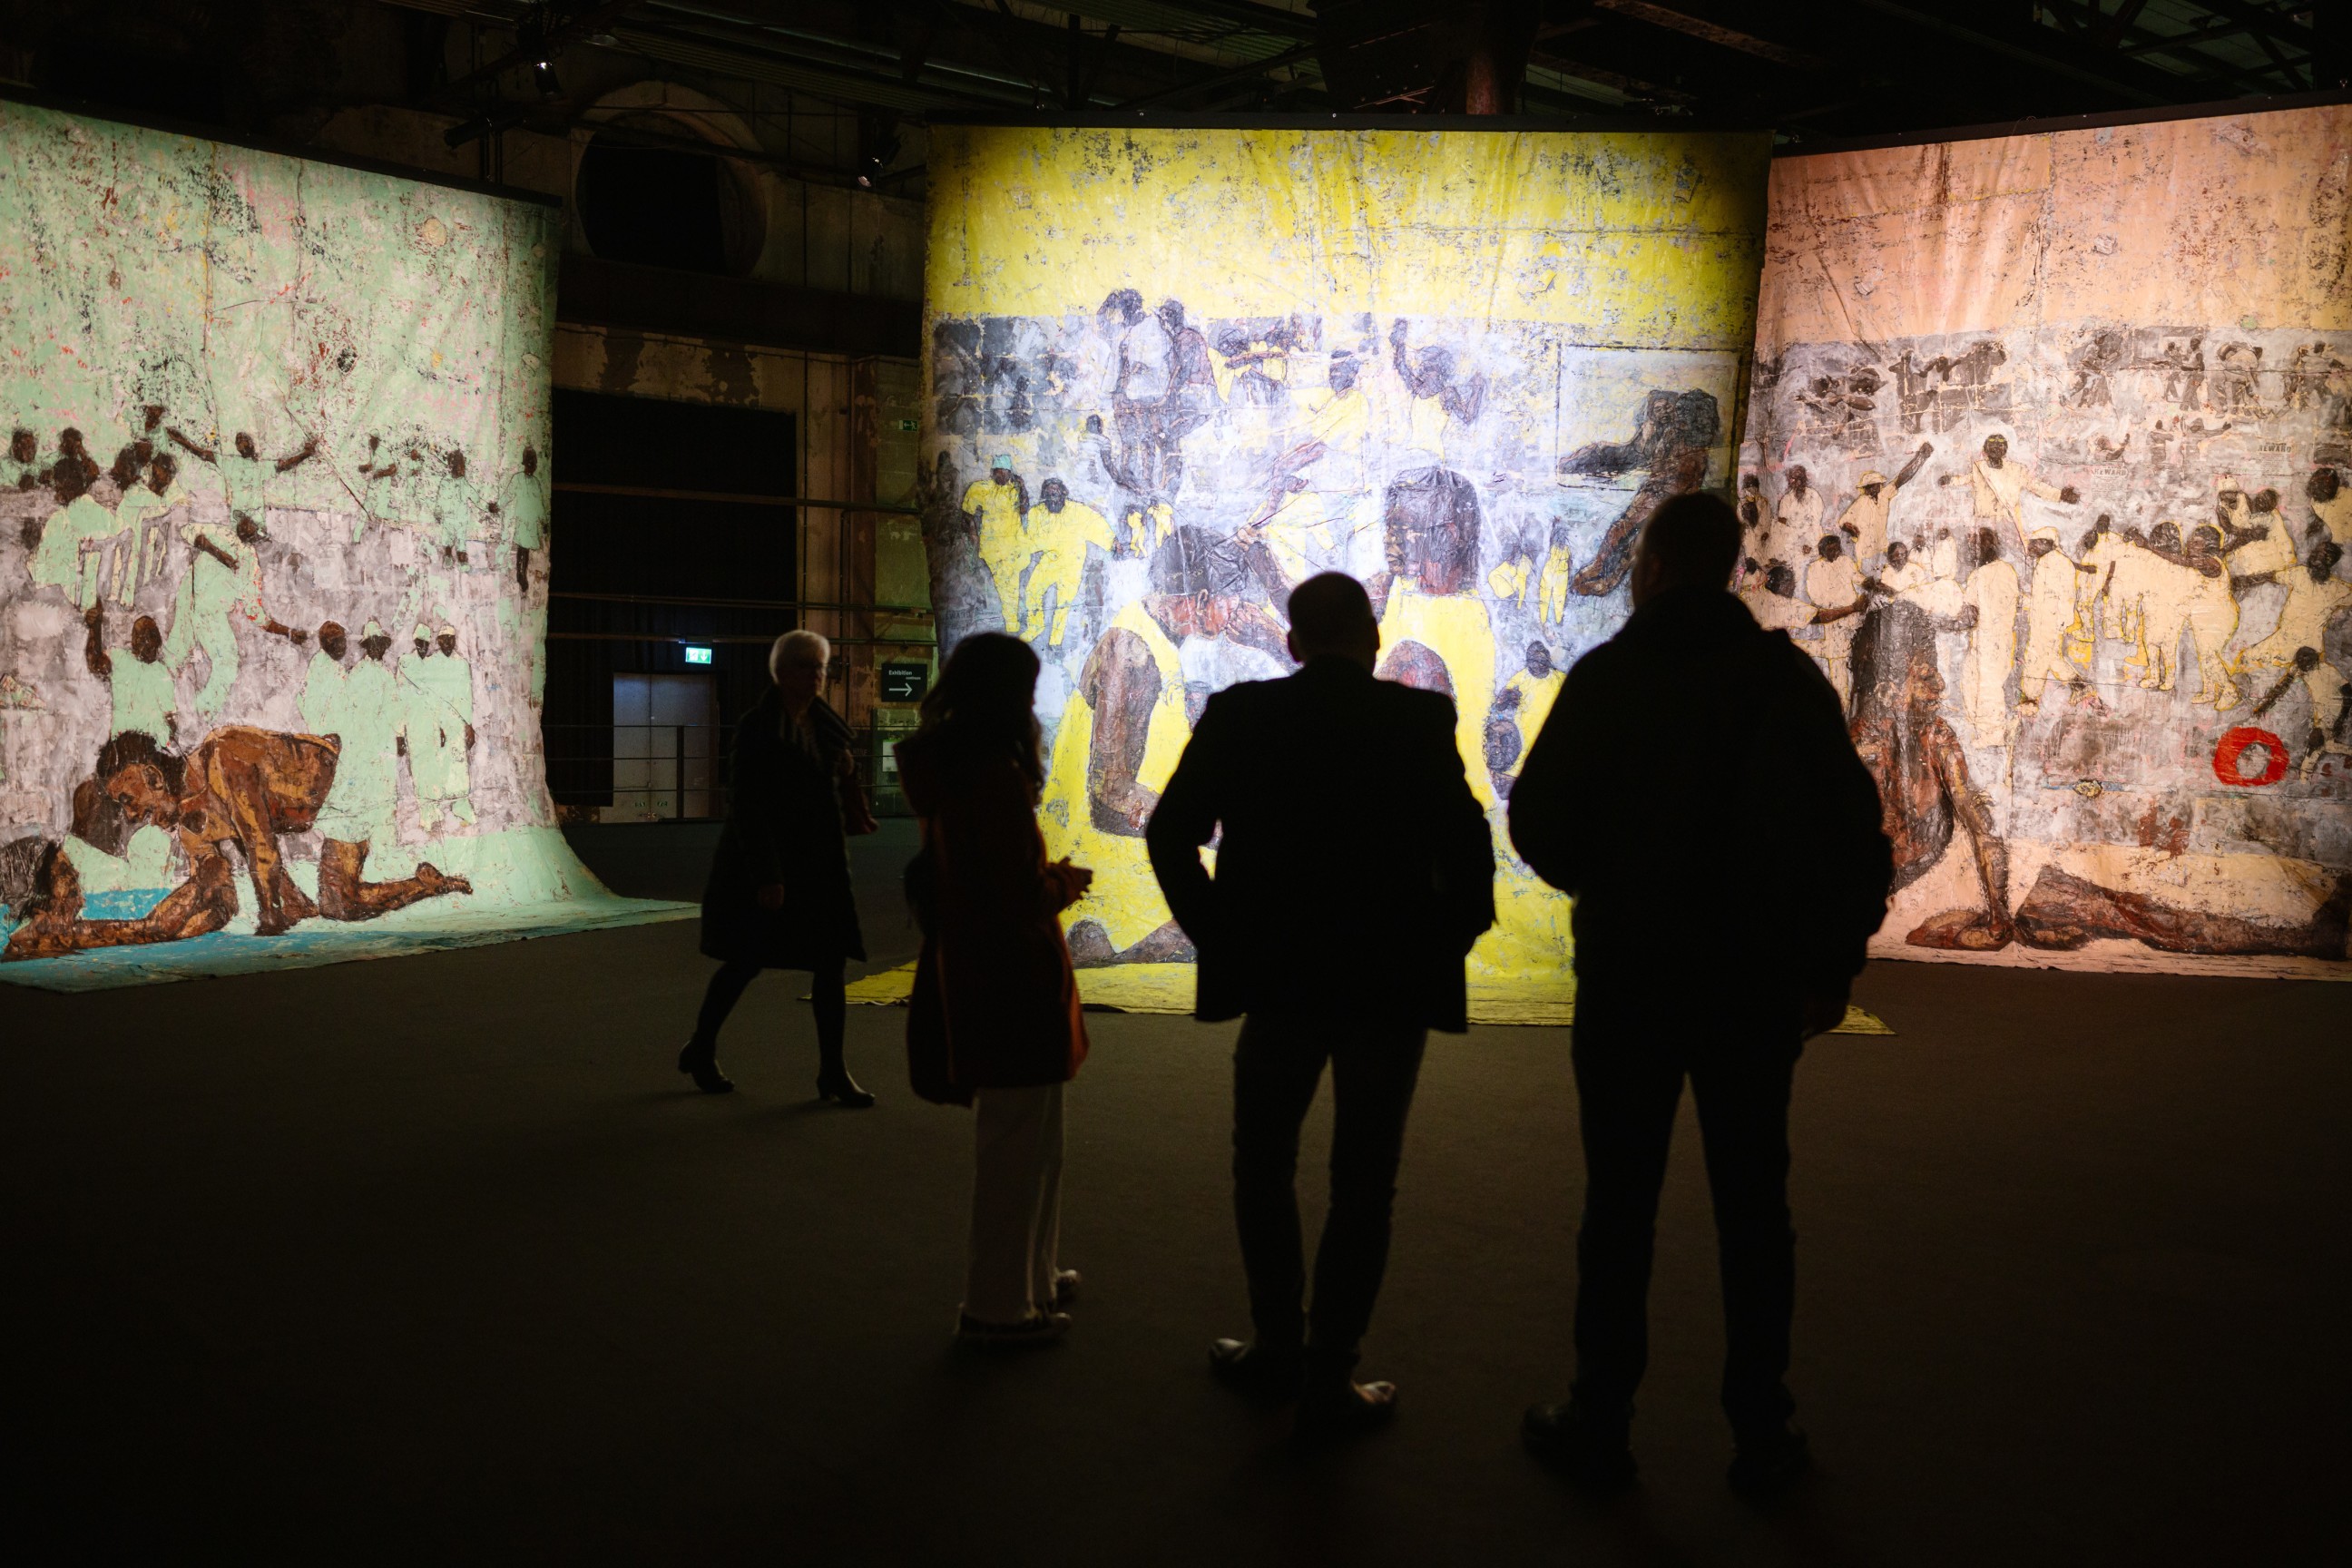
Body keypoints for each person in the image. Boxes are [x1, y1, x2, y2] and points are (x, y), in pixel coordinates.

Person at [1508, 493, 1892, 1494]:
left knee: (1620, 1206)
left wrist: (1614, 884)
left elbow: (1539, 823)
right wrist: (1828, 966)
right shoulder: (1783, 681)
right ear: (1725, 565)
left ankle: (1602, 1420)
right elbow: (1857, 834)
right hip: (1753, 987)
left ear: (1657, 565)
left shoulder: (1610, 679)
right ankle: (1762, 1434)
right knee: (1755, 1210)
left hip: (1633, 980)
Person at [1146, 572, 1495, 1434]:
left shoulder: (1241, 715)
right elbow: (1470, 853)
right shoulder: (1416, 720)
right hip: (1387, 990)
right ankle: (1330, 1370)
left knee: (1261, 1163)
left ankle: (1275, 1347)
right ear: (1372, 639)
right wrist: (1438, 943)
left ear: (1292, 643)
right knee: (1364, 1182)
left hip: (1279, 984)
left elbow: (1168, 833)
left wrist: (1220, 933)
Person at [897, 633, 1093, 1346]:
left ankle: (1032, 1279)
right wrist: (1063, 883)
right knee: (1020, 1142)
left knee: (1030, 1136)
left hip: (983, 967)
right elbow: (1013, 891)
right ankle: (995, 1308)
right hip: (1012, 975)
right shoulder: (992, 774)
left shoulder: (946, 765)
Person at [680, 630, 880, 1102]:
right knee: (744, 962)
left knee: (829, 966)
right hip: (765, 867)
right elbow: (747, 806)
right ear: (782, 673)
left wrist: (846, 771)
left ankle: (833, 1072)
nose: (816, 676)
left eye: (821, 668)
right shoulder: (757, 727)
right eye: (806, 667)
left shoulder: (826, 726)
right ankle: (702, 1047)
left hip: (818, 868)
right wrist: (768, 876)